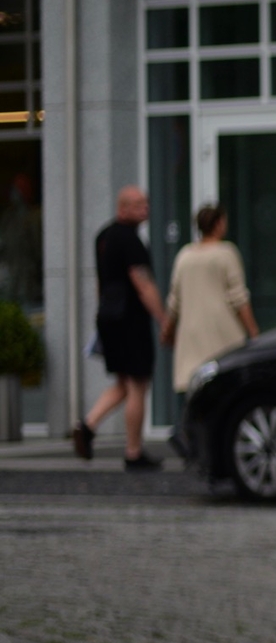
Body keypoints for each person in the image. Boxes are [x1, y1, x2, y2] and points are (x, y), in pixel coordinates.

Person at [71, 185, 166, 470]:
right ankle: (133, 452)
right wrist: (164, 320)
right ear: (122, 207)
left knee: (123, 383)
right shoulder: (130, 241)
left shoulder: (104, 236)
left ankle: (87, 427)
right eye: (138, 204)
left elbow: (102, 282)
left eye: (146, 203)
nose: (145, 208)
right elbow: (143, 284)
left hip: (109, 317)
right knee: (138, 384)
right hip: (130, 321)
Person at [161, 202, 258, 447]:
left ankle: (188, 434)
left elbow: (174, 300)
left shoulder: (184, 256)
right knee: (225, 385)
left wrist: (168, 329)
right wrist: (253, 332)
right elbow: (238, 297)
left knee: (192, 385)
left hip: (191, 331)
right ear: (218, 224)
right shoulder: (226, 253)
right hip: (222, 330)